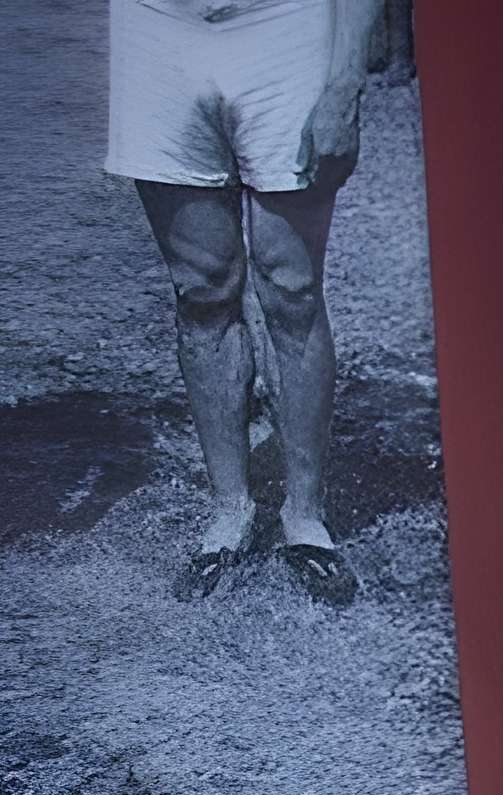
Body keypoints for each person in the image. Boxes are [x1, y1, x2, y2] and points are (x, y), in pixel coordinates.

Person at [107, 0, 381, 604]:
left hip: (285, 26)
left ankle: (305, 516)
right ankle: (229, 510)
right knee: (201, 291)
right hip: (157, 28)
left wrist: (345, 82)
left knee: (291, 286)